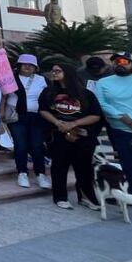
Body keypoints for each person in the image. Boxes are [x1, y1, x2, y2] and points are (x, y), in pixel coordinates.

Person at [39, 63, 103, 210]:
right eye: (53, 71)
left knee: (84, 168)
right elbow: (43, 110)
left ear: (67, 73)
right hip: (58, 134)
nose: (54, 73)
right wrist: (57, 122)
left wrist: (74, 123)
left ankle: (86, 197)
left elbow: (96, 115)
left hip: (82, 135)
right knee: (59, 167)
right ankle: (60, 197)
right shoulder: (48, 92)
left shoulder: (86, 94)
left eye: (58, 71)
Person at [95, 51, 132, 201]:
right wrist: (125, 119)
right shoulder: (103, 82)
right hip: (121, 129)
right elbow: (102, 104)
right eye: (116, 61)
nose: (119, 64)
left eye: (124, 61)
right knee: (129, 163)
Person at [6, 54, 50, 189]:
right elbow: (3, 96)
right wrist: (1, 112)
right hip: (17, 116)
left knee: (37, 145)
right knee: (21, 145)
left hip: (36, 117)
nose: (27, 67)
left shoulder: (42, 79)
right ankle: (22, 173)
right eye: (24, 64)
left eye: (31, 65)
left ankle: (40, 174)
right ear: (19, 65)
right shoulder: (10, 78)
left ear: (35, 67)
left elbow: (47, 97)